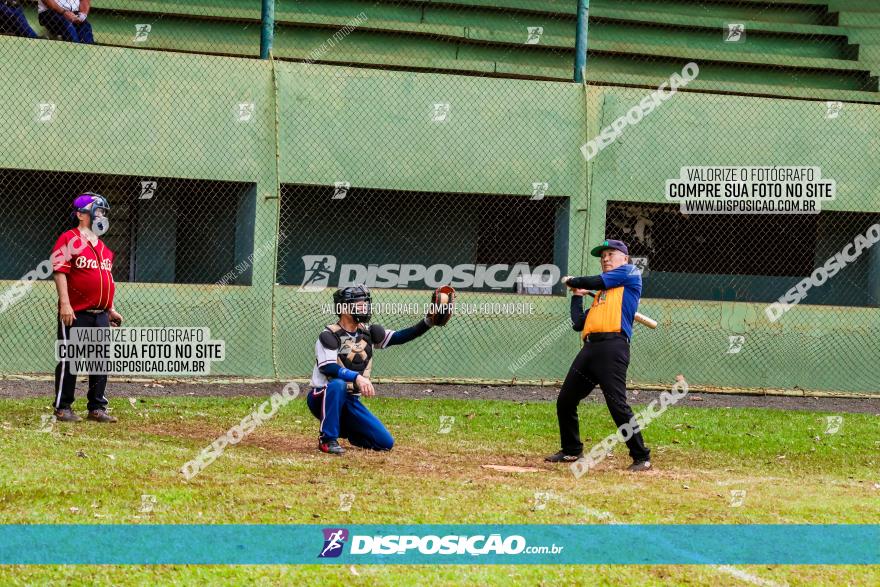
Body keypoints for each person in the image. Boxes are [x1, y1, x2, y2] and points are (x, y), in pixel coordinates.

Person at [546, 239, 652, 472]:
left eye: (610, 254)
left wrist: (572, 280)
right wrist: (576, 294)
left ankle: (641, 456)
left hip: (613, 347)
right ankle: (572, 450)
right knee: (565, 401)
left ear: (624, 258)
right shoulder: (601, 296)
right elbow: (577, 323)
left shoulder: (631, 273)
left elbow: (596, 280)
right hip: (590, 349)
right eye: (602, 255)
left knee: (617, 404)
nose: (605, 258)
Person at [307, 284, 444, 455]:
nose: (364, 306)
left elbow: (400, 337)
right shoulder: (329, 335)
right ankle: (327, 440)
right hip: (322, 397)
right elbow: (329, 367)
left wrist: (428, 322)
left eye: (365, 302)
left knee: (385, 442)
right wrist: (357, 378)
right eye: (358, 302)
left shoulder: (368, 333)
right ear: (343, 307)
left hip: (350, 401)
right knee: (338, 384)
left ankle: (348, 430)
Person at [51, 193, 123, 423]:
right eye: (97, 211)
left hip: (100, 313)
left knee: (100, 360)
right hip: (75, 311)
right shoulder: (69, 238)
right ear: (82, 214)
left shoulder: (103, 247)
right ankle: (63, 407)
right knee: (70, 359)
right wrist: (65, 303)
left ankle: (96, 408)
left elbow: (105, 279)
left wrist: (110, 308)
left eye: (103, 212)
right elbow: (60, 271)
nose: (101, 216)